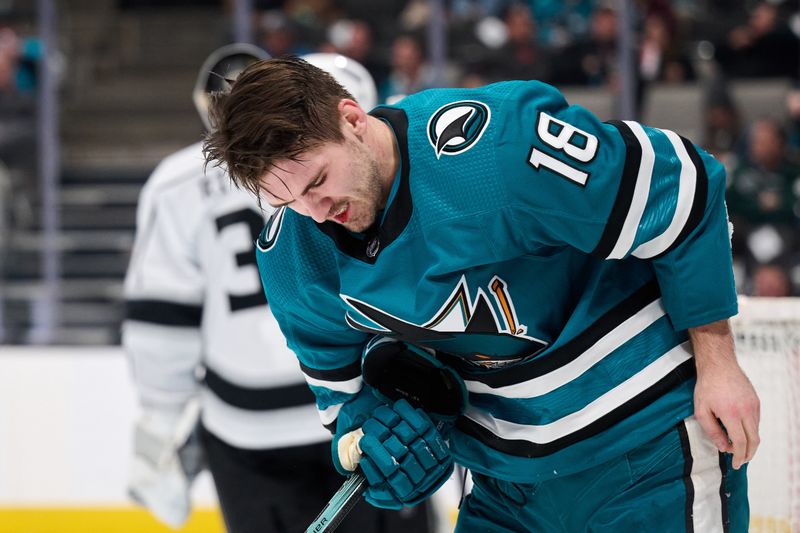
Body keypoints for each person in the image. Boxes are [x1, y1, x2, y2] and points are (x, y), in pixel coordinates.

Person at [203, 56, 761, 532]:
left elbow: (684, 192)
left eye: (318, 181)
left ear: (351, 119)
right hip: (504, 490)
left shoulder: (498, 150)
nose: (315, 211)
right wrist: (382, 457)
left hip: (644, 452)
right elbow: (348, 408)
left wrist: (719, 362)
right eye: (289, 199)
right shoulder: (295, 259)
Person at [123, 46, 429, 533]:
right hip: (367, 406)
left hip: (248, 428)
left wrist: (158, 425)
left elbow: (162, 317)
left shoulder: (176, 183)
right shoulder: (354, 156)